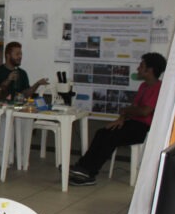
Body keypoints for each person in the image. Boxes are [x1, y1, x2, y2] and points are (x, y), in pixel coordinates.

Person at [70, 52, 167, 186]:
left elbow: (144, 111)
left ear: (149, 70)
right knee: (102, 132)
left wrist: (127, 111)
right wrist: (121, 118)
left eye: (141, 66)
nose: (138, 69)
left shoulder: (158, 88)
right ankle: (82, 167)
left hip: (144, 129)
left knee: (111, 137)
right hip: (133, 123)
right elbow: (133, 108)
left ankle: (90, 173)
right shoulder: (143, 86)